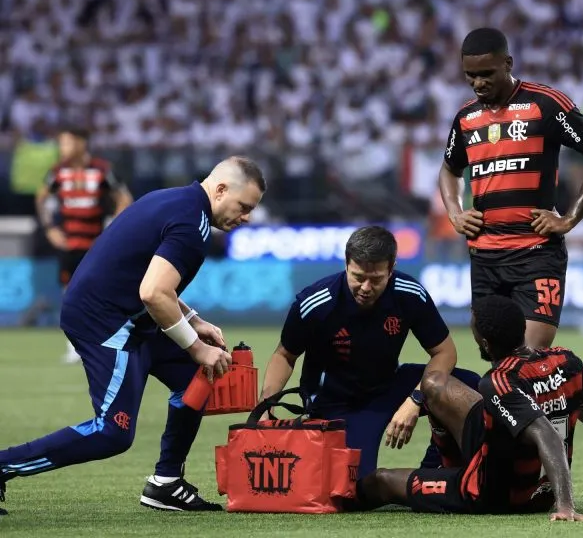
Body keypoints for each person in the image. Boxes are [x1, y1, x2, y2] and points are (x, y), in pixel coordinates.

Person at [0, 156, 266, 515]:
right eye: (244, 206)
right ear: (221, 190)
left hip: (122, 313)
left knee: (193, 382)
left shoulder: (174, 200)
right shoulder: (192, 224)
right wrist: (196, 347)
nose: (247, 217)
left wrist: (194, 320)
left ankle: (166, 483)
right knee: (112, 433)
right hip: (106, 321)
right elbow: (153, 293)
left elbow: (148, 276)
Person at [357, 294, 583, 520]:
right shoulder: (566, 360)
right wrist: (562, 399)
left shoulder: (499, 380)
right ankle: (445, 467)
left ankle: (341, 500)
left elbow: (547, 436)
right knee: (434, 383)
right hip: (531, 476)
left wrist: (566, 507)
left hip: (497, 493)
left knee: (381, 480)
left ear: (485, 344)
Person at [439, 27, 583, 349]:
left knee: (530, 360)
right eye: (470, 75)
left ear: (508, 63)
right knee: (495, 359)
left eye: (486, 74)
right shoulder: (466, 117)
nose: (478, 83)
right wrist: (454, 213)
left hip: (535, 253)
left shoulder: (545, 104)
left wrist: (570, 218)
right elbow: (449, 170)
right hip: (485, 256)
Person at [257, 225, 481, 479]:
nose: (365, 287)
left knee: (469, 386)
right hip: (338, 404)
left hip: (389, 387)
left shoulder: (409, 294)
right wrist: (266, 406)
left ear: (391, 268)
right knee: (355, 487)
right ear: (346, 264)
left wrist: (415, 399)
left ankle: (437, 466)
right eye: (358, 276)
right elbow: (285, 355)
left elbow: (445, 352)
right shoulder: (315, 303)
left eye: (376, 279)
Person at [35, 126, 134, 364]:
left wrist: (112, 231)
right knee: (69, 295)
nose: (63, 148)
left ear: (81, 143)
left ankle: (106, 343)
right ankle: (74, 346)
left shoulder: (102, 170)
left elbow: (124, 199)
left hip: (96, 245)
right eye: (61, 144)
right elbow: (41, 198)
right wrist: (50, 228)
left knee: (99, 294)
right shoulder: (57, 172)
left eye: (67, 143)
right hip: (69, 245)